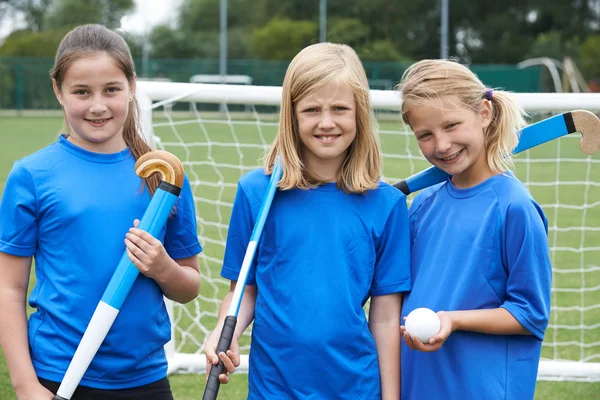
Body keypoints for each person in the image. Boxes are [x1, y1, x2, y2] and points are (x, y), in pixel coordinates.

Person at [0, 24, 202, 400]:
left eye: (111, 89)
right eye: (81, 91)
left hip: (146, 379)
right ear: (58, 91)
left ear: (132, 87)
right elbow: (8, 288)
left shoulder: (163, 176)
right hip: (59, 374)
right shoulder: (32, 175)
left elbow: (189, 286)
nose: (97, 105)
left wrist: (162, 268)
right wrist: (25, 384)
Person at [203, 42, 411, 399]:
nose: (326, 122)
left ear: (359, 114)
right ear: (292, 115)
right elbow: (244, 290)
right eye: (312, 109)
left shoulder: (387, 205)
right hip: (275, 388)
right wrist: (224, 332)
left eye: (340, 109)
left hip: (356, 387)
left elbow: (386, 317)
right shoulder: (257, 193)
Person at [397, 59, 552, 399]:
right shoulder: (423, 205)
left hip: (478, 387)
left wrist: (454, 320)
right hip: (417, 384)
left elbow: (530, 315)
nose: (441, 145)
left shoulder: (515, 208)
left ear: (484, 113)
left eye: (452, 125)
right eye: (425, 134)